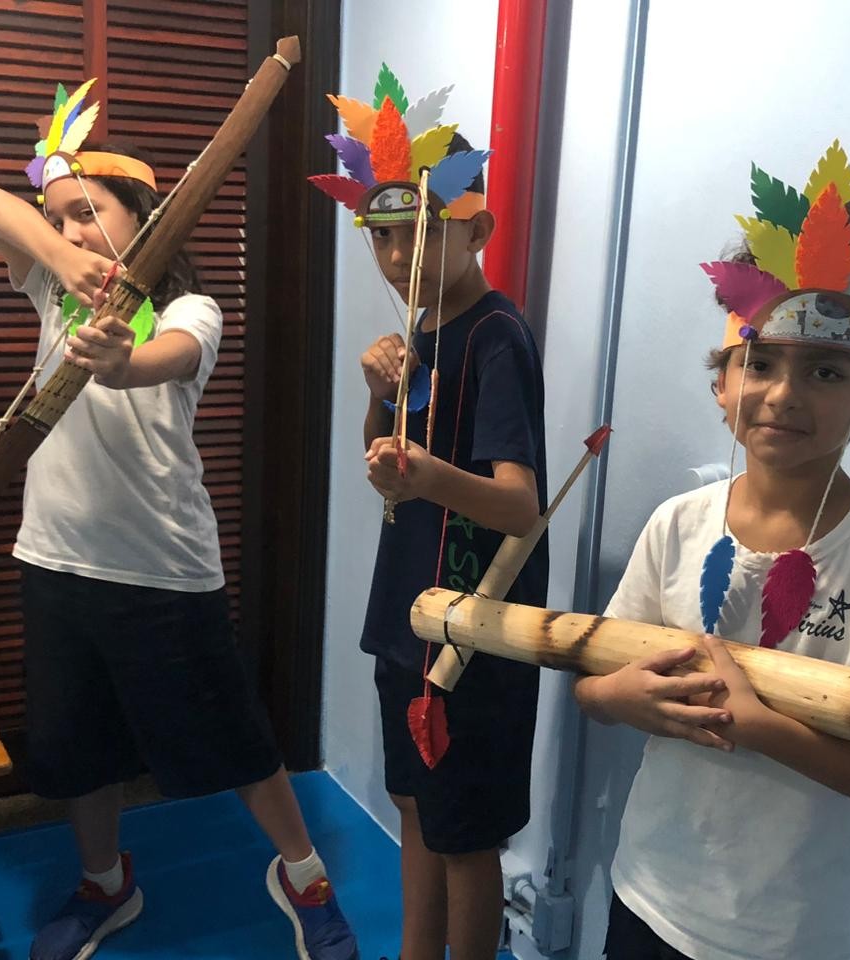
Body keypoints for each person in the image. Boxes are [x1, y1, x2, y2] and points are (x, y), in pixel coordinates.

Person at [0, 78, 359, 960]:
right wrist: (60, 255)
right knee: (78, 745)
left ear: (141, 217)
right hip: (54, 559)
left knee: (236, 737)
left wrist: (118, 360)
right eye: (58, 215)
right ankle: (105, 883)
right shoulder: (53, 291)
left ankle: (305, 877)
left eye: (88, 212)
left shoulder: (192, 310)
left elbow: (167, 359)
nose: (71, 229)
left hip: (162, 569)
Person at [574, 142, 850, 960]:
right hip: (644, 895)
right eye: (762, 364)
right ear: (723, 384)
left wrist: (768, 730)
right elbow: (593, 685)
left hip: (780, 936)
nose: (785, 394)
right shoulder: (676, 525)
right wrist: (620, 698)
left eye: (825, 372)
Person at [311, 65, 548, 960]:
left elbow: (520, 505)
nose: (394, 258)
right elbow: (385, 469)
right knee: (413, 806)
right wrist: (378, 396)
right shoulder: (420, 336)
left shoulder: (495, 336)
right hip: (408, 615)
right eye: (380, 238)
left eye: (417, 233)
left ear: (476, 230)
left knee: (466, 835)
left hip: (473, 628)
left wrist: (424, 473)